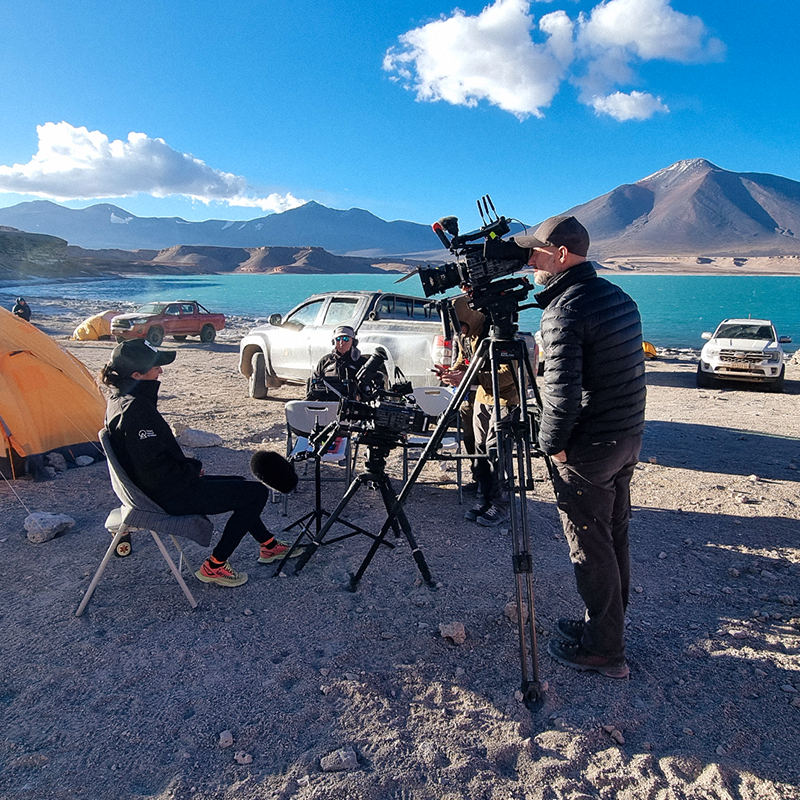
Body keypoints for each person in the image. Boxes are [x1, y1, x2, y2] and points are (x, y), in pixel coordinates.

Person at [517, 214, 646, 680]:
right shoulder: (620, 297)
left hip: (590, 447)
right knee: (613, 539)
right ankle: (604, 627)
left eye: (536, 254)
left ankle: (605, 651)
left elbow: (562, 391)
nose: (530, 261)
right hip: (626, 438)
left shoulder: (565, 309)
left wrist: (552, 445)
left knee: (590, 546)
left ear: (562, 256)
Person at [99, 338, 302, 588]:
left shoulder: (120, 399)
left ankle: (269, 546)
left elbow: (151, 460)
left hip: (159, 488)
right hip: (165, 496)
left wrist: (189, 470)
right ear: (137, 374)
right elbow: (155, 471)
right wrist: (191, 472)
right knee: (256, 493)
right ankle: (215, 566)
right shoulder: (136, 411)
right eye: (156, 367)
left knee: (241, 486)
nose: (161, 370)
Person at [441, 313, 520, 527]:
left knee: (497, 453)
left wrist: (469, 376)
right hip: (482, 399)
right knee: (480, 451)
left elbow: (507, 375)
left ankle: (501, 505)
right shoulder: (468, 337)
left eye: (463, 325)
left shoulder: (497, 335)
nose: (461, 331)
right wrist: (452, 373)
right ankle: (484, 499)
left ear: (472, 319)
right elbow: (463, 361)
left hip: (504, 401)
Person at [306, 325, 368, 401]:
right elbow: (314, 383)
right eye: (338, 339)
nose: (342, 343)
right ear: (333, 342)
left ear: (354, 342)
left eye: (346, 339)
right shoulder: (325, 361)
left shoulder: (362, 362)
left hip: (353, 406)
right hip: (327, 404)